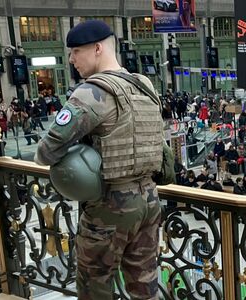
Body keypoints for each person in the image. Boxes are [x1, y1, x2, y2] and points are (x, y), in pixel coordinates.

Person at [34, 21, 164, 299]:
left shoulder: (91, 93)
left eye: (75, 51)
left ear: (96, 49)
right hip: (149, 200)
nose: (71, 59)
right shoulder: (144, 84)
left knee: (95, 286)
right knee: (145, 285)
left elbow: (46, 152)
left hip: (110, 206)